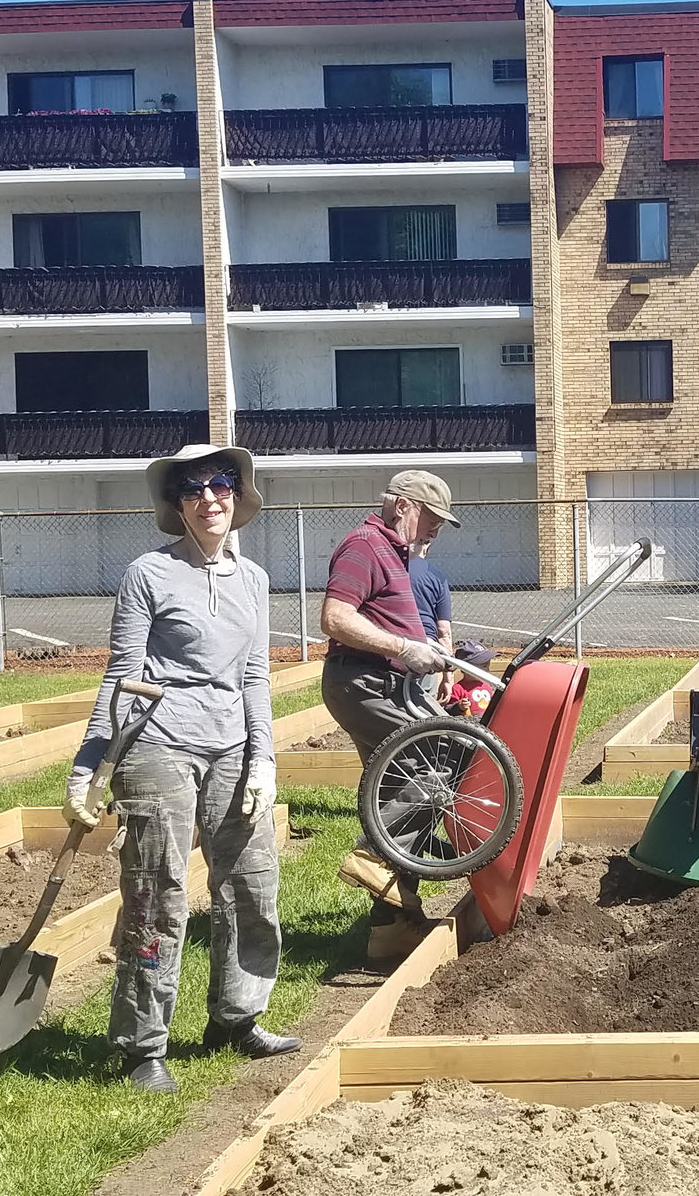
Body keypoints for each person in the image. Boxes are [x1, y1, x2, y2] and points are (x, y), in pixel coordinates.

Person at [67, 444, 298, 1093]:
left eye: (219, 483)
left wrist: (264, 763)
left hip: (231, 748)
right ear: (178, 505)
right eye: (192, 488)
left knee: (252, 883)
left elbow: (254, 676)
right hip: (157, 743)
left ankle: (237, 1015)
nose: (208, 496)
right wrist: (86, 766)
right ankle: (143, 1046)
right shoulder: (149, 574)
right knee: (157, 893)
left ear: (237, 493)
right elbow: (122, 675)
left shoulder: (253, 581)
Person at [317, 470, 467, 963]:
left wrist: (426, 651)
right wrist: (405, 646)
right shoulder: (364, 545)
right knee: (443, 756)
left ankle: (392, 928)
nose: (435, 530)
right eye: (432, 518)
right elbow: (335, 618)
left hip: (383, 680)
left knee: (395, 794)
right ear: (404, 506)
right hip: (364, 681)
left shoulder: (395, 553)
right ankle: (375, 857)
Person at [407, 540, 455, 701]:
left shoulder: (391, 570)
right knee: (423, 705)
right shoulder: (436, 576)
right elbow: (443, 632)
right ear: (426, 545)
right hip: (425, 647)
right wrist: (448, 678)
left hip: (394, 645)